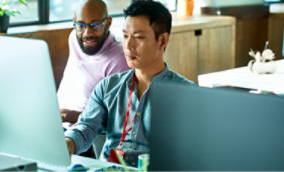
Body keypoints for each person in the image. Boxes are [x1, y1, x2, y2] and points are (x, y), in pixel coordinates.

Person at [64, 1, 195, 167]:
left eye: (138, 37)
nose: (128, 46)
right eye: (125, 36)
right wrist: (69, 142)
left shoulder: (187, 94)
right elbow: (86, 127)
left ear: (162, 40)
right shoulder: (107, 87)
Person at [57, 0, 130, 124]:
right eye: (80, 25)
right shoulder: (74, 39)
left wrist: (70, 116)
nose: (87, 33)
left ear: (108, 23)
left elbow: (118, 119)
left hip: (83, 135)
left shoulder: (119, 59)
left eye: (95, 25)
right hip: (56, 123)